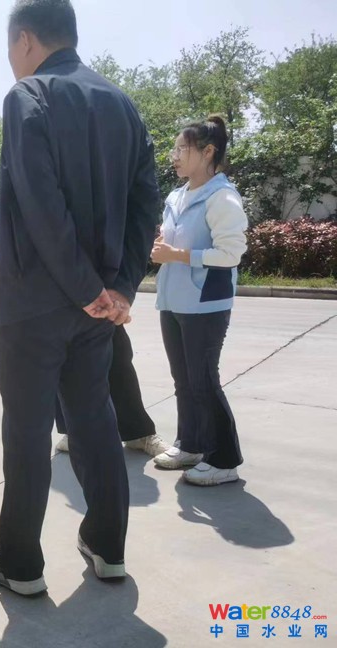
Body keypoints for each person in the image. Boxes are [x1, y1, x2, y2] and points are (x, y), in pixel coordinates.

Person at [0, 0, 161, 596]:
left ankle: (20, 563)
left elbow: (39, 203)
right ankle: (108, 546)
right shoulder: (121, 103)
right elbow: (145, 203)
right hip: (98, 306)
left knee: (27, 431)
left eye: (9, 47)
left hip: (35, 302)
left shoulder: (28, 96)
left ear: (25, 40)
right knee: (95, 421)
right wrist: (118, 288)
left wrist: (85, 289)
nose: (10, 59)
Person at [150, 115, 247, 486]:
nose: (174, 156)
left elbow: (231, 253)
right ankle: (190, 444)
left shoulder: (222, 196)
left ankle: (224, 460)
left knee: (204, 379)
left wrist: (178, 255)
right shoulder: (178, 195)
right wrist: (163, 247)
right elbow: (174, 243)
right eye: (174, 149)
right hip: (173, 300)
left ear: (208, 152)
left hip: (206, 304)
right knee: (184, 379)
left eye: (182, 149)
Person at [54, 325, 169, 457]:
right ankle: (72, 433)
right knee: (66, 364)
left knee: (118, 357)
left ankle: (137, 433)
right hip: (58, 316)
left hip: (102, 315)